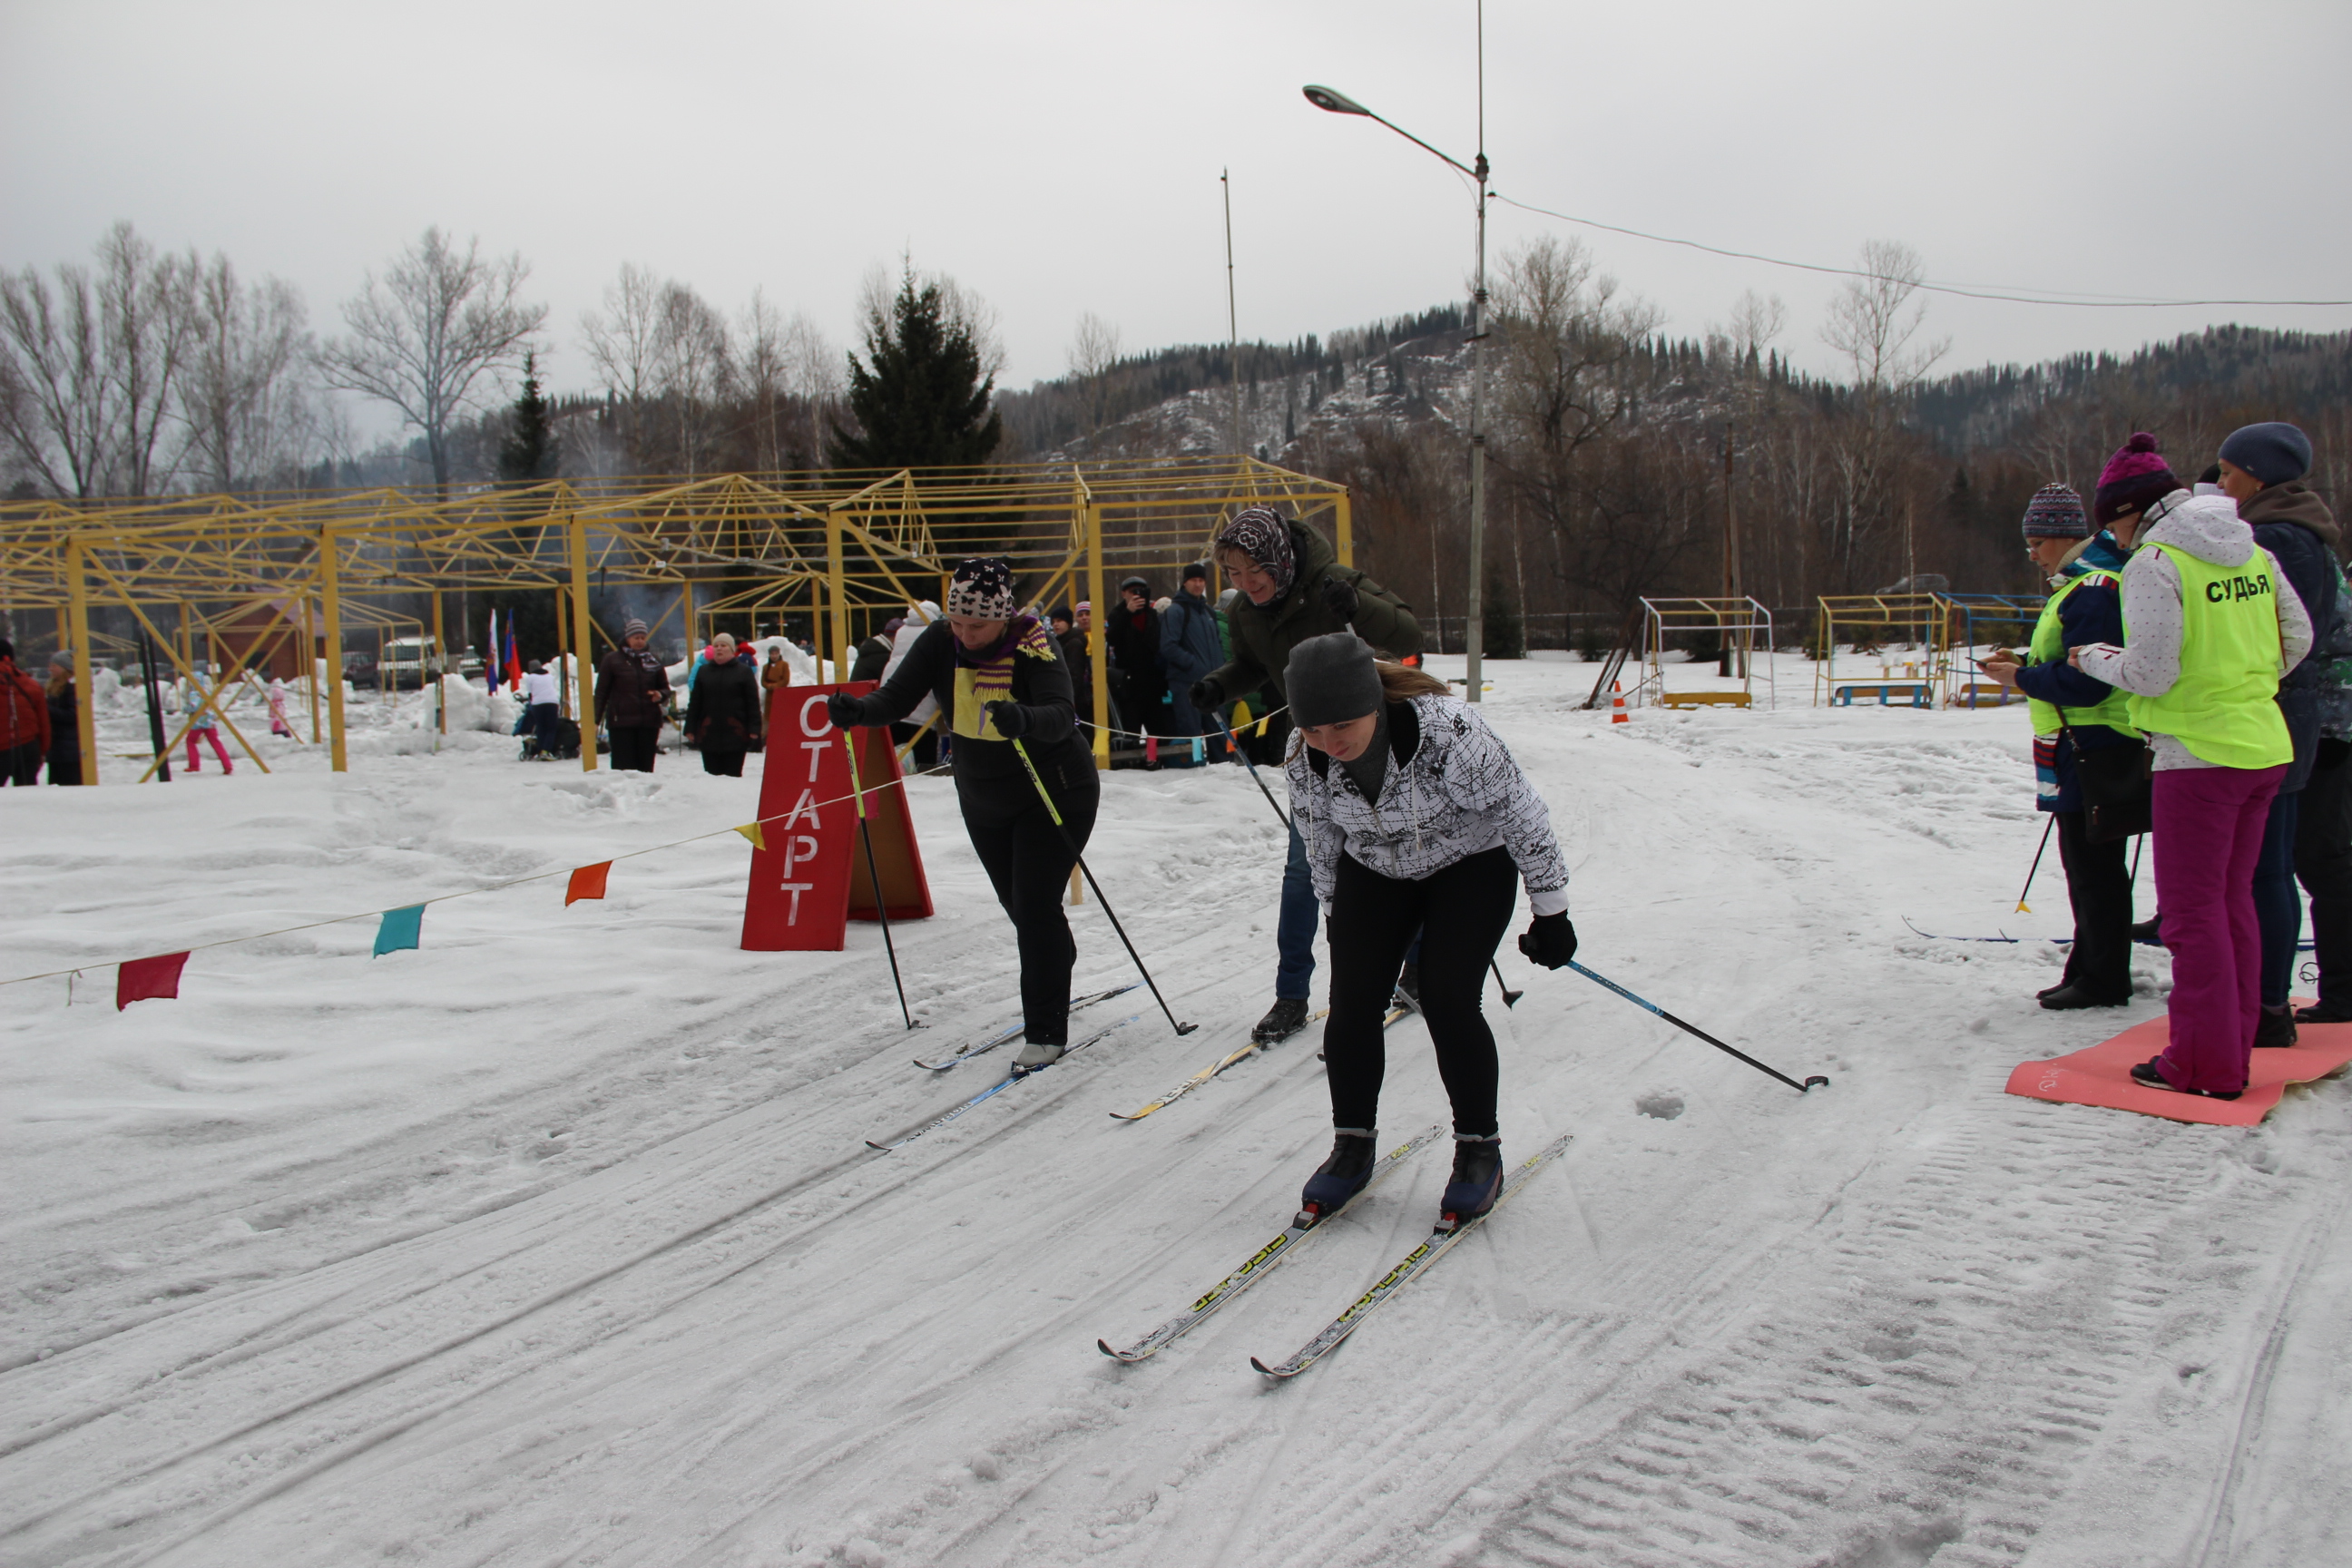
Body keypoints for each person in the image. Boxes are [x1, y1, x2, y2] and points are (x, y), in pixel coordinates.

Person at [1283, 633, 1574, 1223]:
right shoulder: (1304, 754)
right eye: (1314, 729)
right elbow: (1319, 838)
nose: (1329, 742)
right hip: (1375, 868)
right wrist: (1336, 911)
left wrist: (1553, 910)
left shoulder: (1449, 732)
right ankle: (1351, 1145)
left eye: (1342, 724)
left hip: (1469, 863)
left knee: (1446, 997)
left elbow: (1520, 810)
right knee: (1354, 1002)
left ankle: (1477, 1150)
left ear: (1372, 701)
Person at [2069, 434, 2312, 1101]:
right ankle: (2229, 1050)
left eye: (2111, 522)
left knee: (2189, 915)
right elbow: (2299, 637)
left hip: (2197, 756)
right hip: (2261, 746)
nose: (2111, 538)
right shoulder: (2250, 547)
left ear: (2132, 510)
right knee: (2232, 905)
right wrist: (2242, 685)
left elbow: (2151, 672)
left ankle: (2202, 1064)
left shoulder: (2157, 561)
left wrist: (2090, 656)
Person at [828, 558, 1094, 1065]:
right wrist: (859, 711)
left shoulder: (1033, 641)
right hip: (983, 796)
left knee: (1035, 906)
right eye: (958, 623)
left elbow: (1062, 715)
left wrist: (1023, 716)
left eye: (978, 625)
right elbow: (897, 698)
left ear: (1003, 616)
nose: (966, 635)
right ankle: (1053, 965)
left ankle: (1045, 1031)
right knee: (1021, 909)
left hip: (1054, 789)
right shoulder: (940, 641)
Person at [1190, 505, 1426, 1044]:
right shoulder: (1247, 611)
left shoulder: (1331, 583)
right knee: (1303, 875)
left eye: (1256, 573)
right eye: (1234, 576)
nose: (1247, 585)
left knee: (1401, 859)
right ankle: (1291, 995)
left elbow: (1407, 633)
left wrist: (1357, 606)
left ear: (1279, 560)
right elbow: (1253, 662)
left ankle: (1415, 968)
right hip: (1316, 751)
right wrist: (1220, 686)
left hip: (1376, 743)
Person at [1981, 485, 2139, 1009]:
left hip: (2094, 741)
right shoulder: (2079, 583)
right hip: (2079, 740)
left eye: (2033, 542)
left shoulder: (2092, 587)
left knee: (2094, 868)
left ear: (2055, 536)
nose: (2030, 553)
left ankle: (2104, 978)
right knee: (2088, 866)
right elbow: (2071, 655)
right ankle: (2090, 967)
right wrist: (2024, 659)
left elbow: (2092, 679)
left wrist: (2023, 676)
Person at [2219, 422, 2340, 1046]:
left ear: (2258, 477)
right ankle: (2265, 1001)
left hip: (2274, 712)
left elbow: (2277, 635)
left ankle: (2266, 1007)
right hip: (2288, 711)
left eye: (2227, 472)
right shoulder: (2299, 530)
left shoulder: (2277, 539)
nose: (2218, 484)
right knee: (2272, 863)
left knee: (2265, 866)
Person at [1160, 563, 1224, 764]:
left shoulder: (1208, 613)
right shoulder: (1176, 611)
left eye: (1201, 580)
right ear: (1185, 583)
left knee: (1219, 734)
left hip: (1211, 683)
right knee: (1191, 734)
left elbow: (1218, 645)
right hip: (1186, 683)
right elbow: (1168, 646)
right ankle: (1194, 776)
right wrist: (1193, 665)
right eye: (1194, 580)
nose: (1198, 585)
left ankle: (1225, 773)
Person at [596, 617, 671, 772]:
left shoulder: (653, 660)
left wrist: (660, 694)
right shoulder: (612, 660)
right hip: (621, 723)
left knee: (645, 768)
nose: (640, 641)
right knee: (623, 768)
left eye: (643, 637)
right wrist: (595, 720)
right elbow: (601, 691)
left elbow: (665, 688)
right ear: (628, 638)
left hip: (648, 722)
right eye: (636, 637)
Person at [685, 632, 763, 776]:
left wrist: (754, 729)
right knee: (711, 776)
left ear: (732, 650)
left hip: (736, 734)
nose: (719, 649)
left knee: (732, 776)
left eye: (723, 645)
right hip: (708, 733)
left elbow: (752, 703)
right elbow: (695, 702)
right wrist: (690, 727)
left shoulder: (743, 672)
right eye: (716, 645)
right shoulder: (704, 671)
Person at [883, 601, 943, 769]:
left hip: (895, 681)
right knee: (923, 738)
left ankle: (898, 771)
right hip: (921, 685)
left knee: (897, 738)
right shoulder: (934, 630)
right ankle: (925, 770)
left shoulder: (901, 630)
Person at [1106, 576, 1164, 746]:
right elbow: (1112, 638)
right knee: (1131, 730)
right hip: (1129, 682)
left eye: (1141, 591)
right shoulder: (1117, 614)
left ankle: (1156, 761)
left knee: (1158, 730)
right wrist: (1127, 613)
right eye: (1133, 592)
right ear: (1124, 594)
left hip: (1152, 681)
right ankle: (1133, 765)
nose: (1137, 595)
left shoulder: (1152, 614)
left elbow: (1158, 643)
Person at [2, 639, 50, 786]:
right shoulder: (31, 684)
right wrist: (41, 751)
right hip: (28, 747)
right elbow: (44, 722)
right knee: (28, 798)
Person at [183, 667, 233, 775]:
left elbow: (194, 706)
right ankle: (227, 765)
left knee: (190, 741)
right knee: (216, 742)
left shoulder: (194, 694)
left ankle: (194, 765)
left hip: (199, 721)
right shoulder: (208, 691)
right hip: (210, 721)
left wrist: (185, 709)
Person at [44, 650, 81, 786]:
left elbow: (73, 715)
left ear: (65, 668)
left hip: (68, 750)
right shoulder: (53, 687)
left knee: (69, 785)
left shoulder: (72, 689)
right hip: (57, 748)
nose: (50, 669)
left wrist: (47, 709)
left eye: (54, 666)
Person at [519, 659, 562, 759]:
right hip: (552, 703)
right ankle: (546, 751)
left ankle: (539, 750)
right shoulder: (550, 676)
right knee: (551, 728)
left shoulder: (530, 678)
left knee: (541, 727)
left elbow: (530, 694)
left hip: (538, 704)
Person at [850, 621, 897, 685]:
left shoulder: (873, 650)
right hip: (867, 693)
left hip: (859, 692)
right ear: (896, 636)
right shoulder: (881, 656)